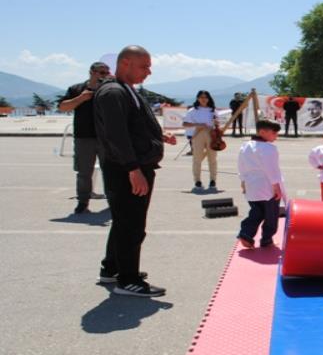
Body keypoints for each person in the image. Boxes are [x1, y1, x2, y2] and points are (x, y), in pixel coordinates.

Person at [93, 45, 177, 297]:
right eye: (144, 66)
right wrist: (133, 169)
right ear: (126, 63)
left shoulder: (126, 90)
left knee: (123, 221)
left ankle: (112, 268)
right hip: (126, 169)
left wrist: (158, 134)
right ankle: (127, 279)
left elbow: (132, 125)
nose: (149, 72)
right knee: (131, 224)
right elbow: (116, 134)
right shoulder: (113, 92)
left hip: (132, 165)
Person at [57, 61, 110, 214]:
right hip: (84, 136)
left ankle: (113, 201)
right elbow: (62, 107)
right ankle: (83, 202)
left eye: (106, 73)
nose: (104, 76)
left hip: (106, 137)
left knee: (110, 171)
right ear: (91, 72)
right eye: (101, 72)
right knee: (84, 172)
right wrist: (80, 98)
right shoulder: (76, 89)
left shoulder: (109, 89)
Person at [237, 120, 284, 249]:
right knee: (271, 214)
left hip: (251, 185)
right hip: (267, 186)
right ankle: (267, 239)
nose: (276, 135)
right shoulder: (269, 148)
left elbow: (241, 165)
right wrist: (276, 187)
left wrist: (242, 181)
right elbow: (272, 169)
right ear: (262, 132)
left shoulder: (245, 145)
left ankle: (246, 233)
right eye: (274, 132)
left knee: (256, 211)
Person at [182, 90, 220, 189]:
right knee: (197, 159)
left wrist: (216, 123)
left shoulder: (213, 110)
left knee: (212, 158)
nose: (203, 99)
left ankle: (213, 180)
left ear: (208, 98)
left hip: (211, 135)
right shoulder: (192, 110)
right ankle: (197, 181)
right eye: (201, 97)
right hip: (197, 135)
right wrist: (198, 125)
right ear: (198, 98)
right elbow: (185, 124)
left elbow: (218, 124)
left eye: (205, 97)